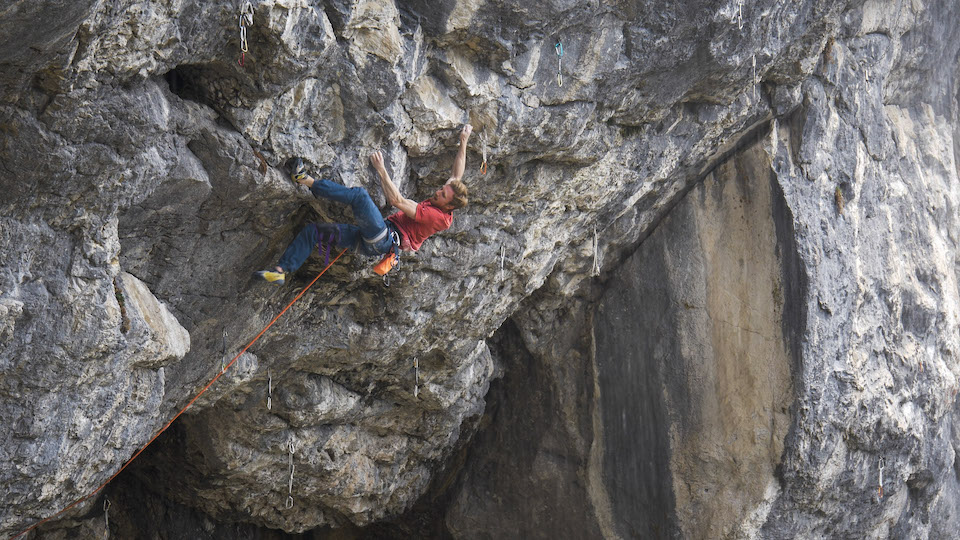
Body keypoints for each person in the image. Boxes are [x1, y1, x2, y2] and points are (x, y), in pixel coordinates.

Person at [255, 124, 473, 285]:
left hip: (384, 238)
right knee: (313, 231)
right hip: (370, 242)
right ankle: (281, 270)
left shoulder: (437, 217)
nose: (437, 192)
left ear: (448, 206)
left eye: (442, 194)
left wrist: (381, 169)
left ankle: (303, 179)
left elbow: (396, 201)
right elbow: (456, 175)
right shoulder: (448, 199)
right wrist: (463, 141)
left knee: (359, 196)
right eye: (442, 190)